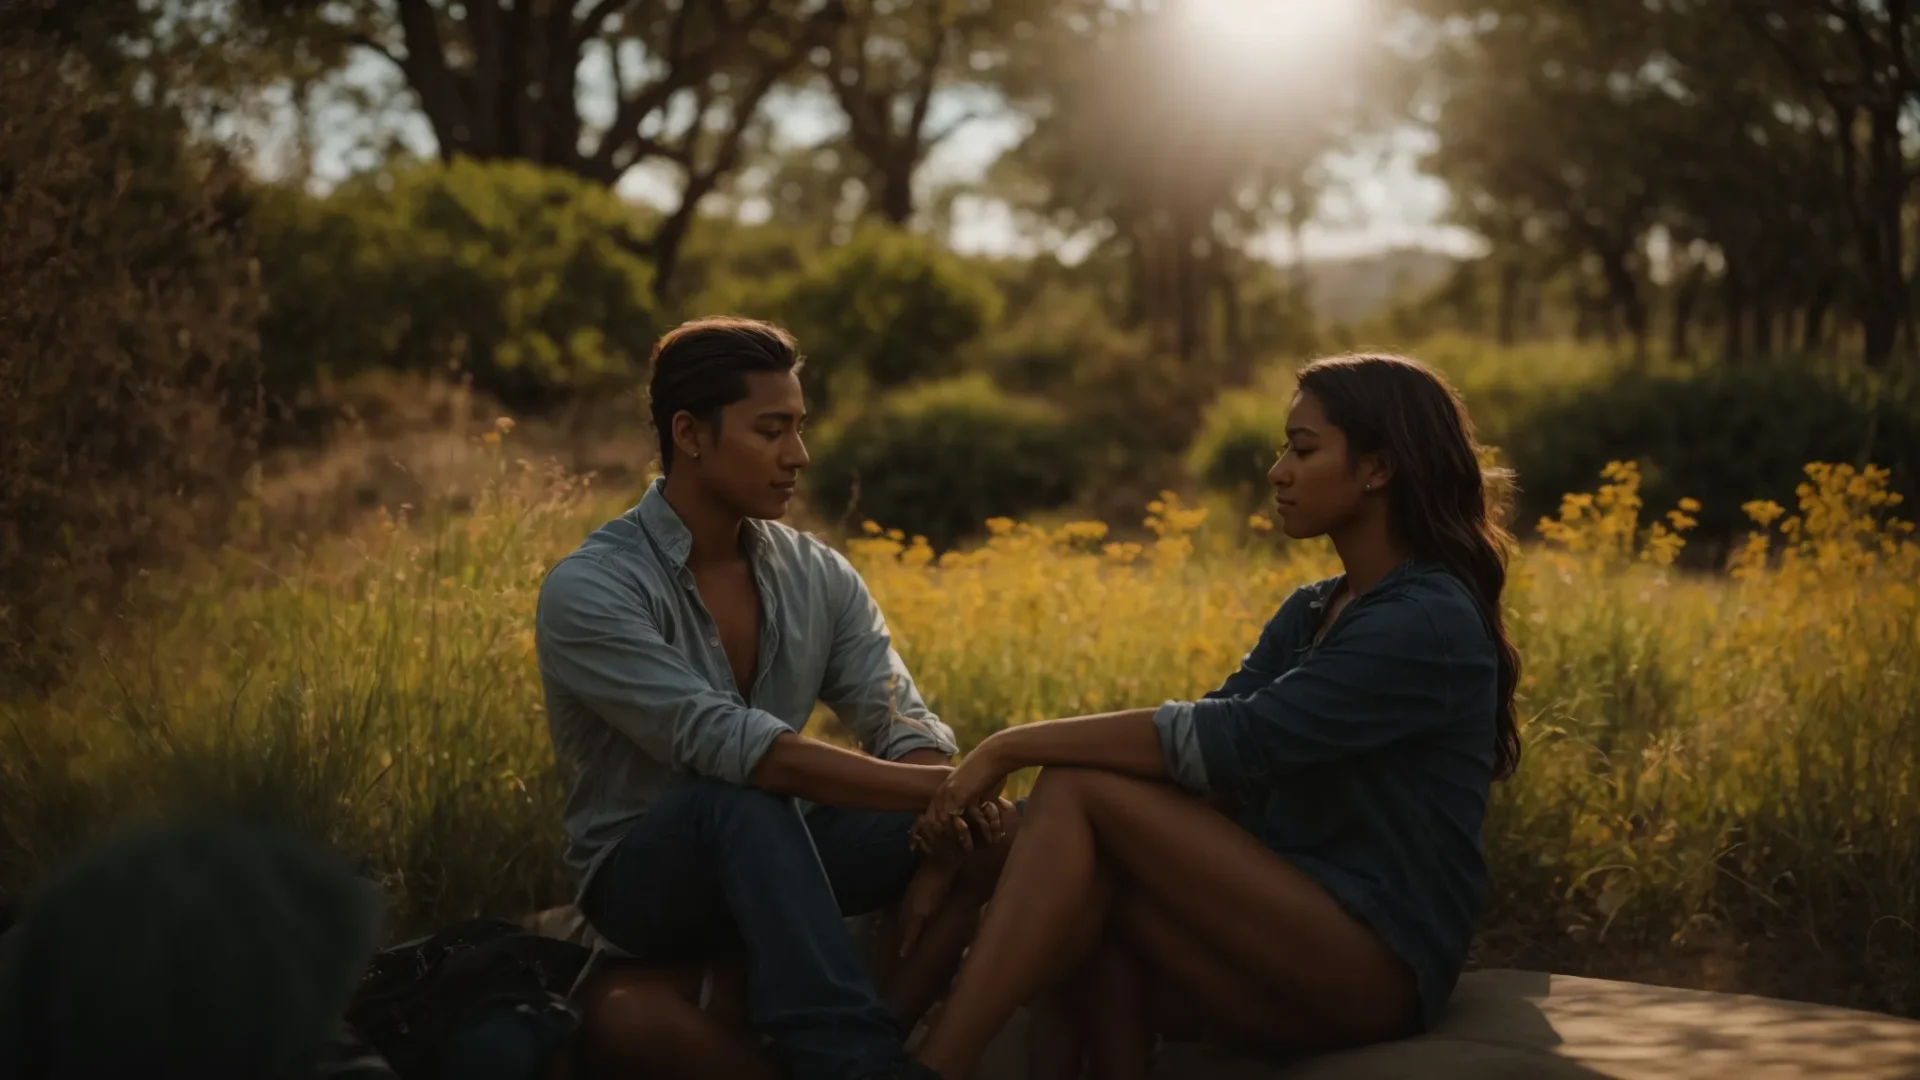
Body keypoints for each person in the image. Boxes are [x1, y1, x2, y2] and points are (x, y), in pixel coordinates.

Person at [902, 352, 1526, 1080]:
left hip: (1375, 961)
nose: (1278, 472)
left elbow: (1238, 740)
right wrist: (992, 835)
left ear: (1377, 468)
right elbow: (1207, 753)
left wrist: (1008, 747)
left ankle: (933, 1067)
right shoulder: (1314, 610)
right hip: (1281, 929)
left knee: (1079, 787)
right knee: (1088, 895)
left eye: (1302, 449)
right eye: (1282, 449)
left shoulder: (1425, 619)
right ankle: (876, 1043)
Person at [534, 316, 1009, 1080]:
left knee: (999, 828)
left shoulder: (816, 572)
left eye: (800, 427)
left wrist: (947, 822)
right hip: (650, 880)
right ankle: (855, 1062)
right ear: (689, 433)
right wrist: (949, 787)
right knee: (737, 797)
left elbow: (898, 717)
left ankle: (887, 1037)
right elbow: (736, 750)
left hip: (782, 841)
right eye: (771, 430)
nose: (799, 455)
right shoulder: (591, 588)